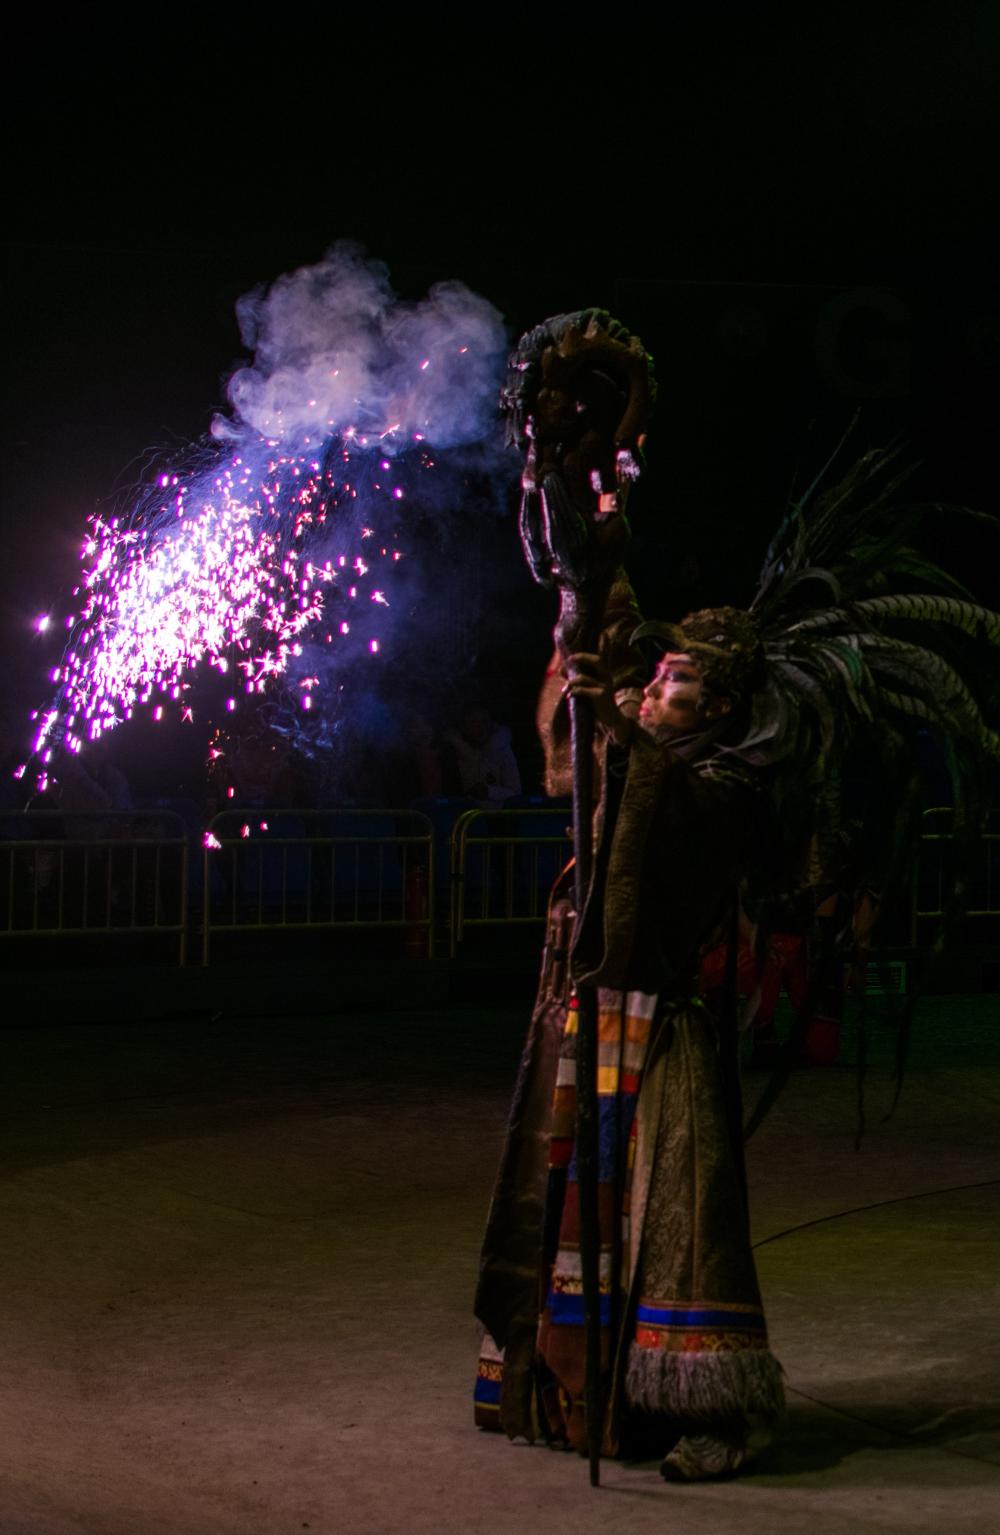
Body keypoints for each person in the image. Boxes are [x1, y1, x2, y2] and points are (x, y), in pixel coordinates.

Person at [475, 309, 1000, 1484]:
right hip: (582, 1012)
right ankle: (568, 1389)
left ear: (717, 708)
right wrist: (571, 471)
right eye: (658, 671)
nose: (658, 683)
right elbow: (591, 606)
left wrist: (616, 713)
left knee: (675, 1217)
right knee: (569, 1204)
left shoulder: (716, 787)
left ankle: (715, 1405)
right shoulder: (633, 743)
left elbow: (647, 781)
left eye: (681, 680)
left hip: (664, 1029)